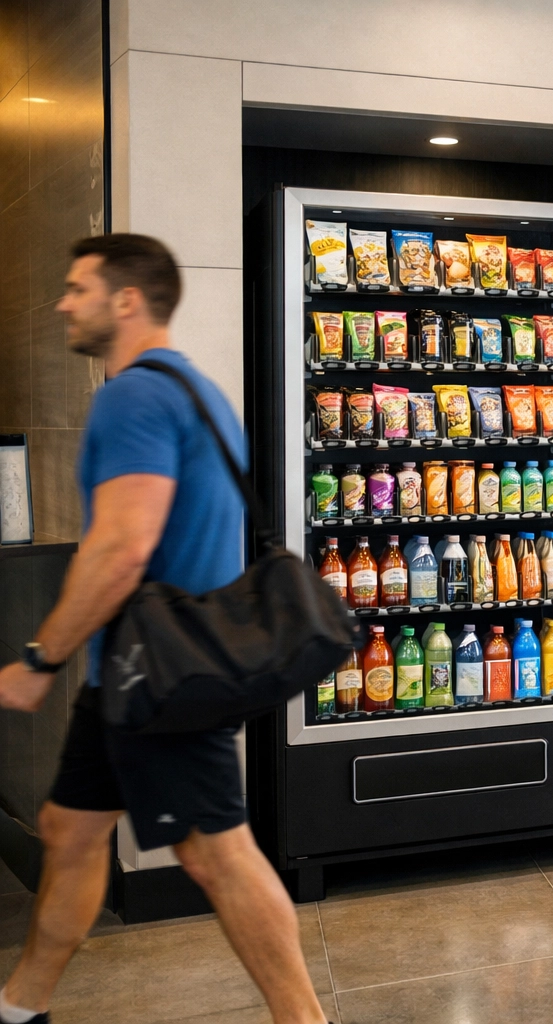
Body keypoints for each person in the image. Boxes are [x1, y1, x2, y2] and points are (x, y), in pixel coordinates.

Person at [0, 235, 331, 1024]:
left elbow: (120, 550)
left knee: (217, 855)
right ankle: (21, 1005)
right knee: (68, 830)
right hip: (140, 668)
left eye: (77, 288)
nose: (62, 303)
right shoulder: (199, 392)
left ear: (126, 300)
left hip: (164, 675)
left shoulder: (132, 396)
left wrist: (42, 657)